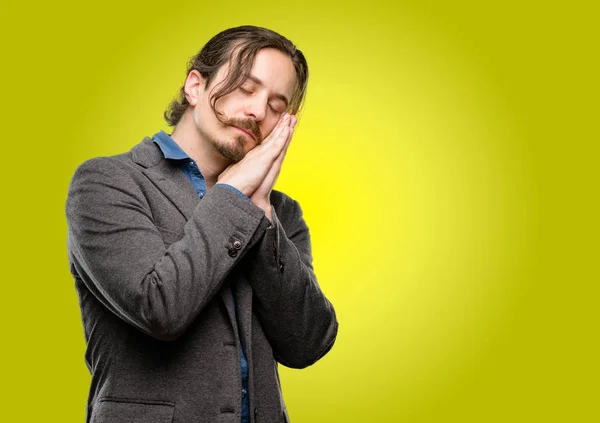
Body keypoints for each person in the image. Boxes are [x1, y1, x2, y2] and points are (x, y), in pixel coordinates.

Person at [66, 25, 338, 423]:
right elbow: (159, 309)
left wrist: (259, 213)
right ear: (195, 86)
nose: (258, 112)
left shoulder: (281, 213)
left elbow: (308, 343)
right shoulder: (106, 183)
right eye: (246, 88)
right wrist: (232, 197)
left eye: (277, 105)